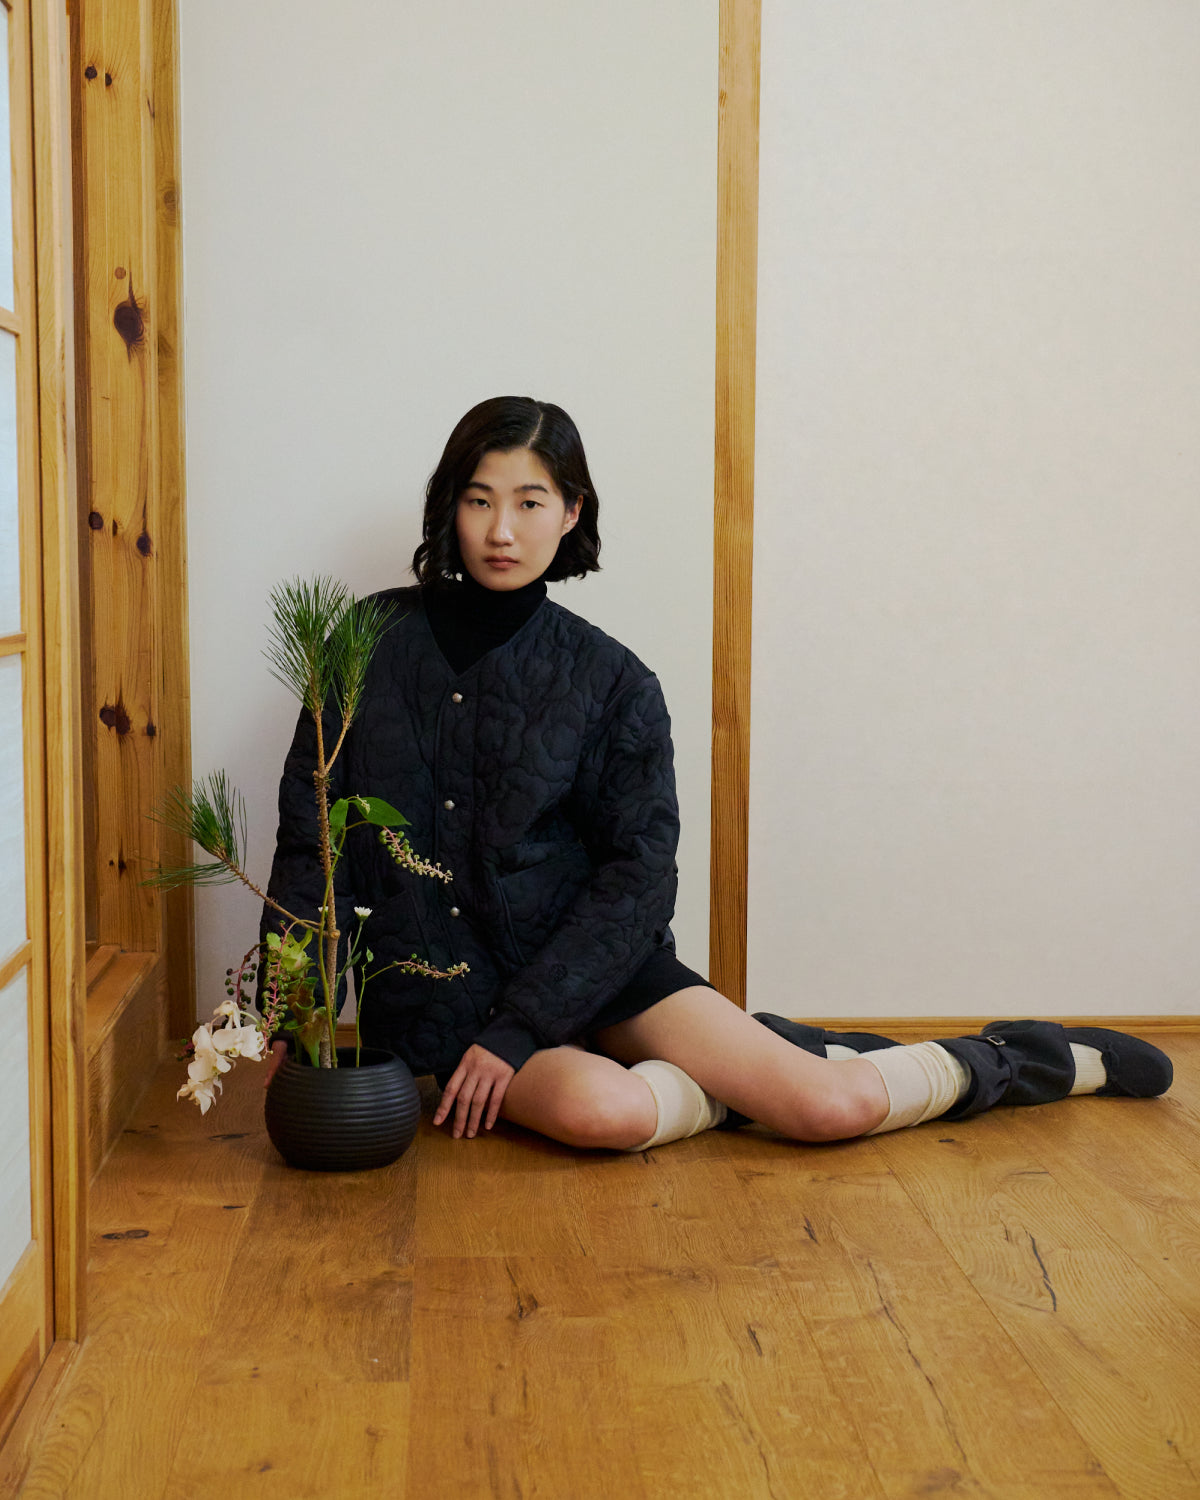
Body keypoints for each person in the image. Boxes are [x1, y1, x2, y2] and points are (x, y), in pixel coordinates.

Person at [262, 396, 1172, 1150]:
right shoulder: (361, 639)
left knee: (831, 1109)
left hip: (593, 972)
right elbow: (313, 836)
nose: (502, 530)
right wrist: (287, 1008)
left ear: (572, 513)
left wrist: (525, 1024)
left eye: (531, 502)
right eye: (478, 500)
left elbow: (637, 872)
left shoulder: (614, 680)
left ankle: (1027, 1057)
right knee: (603, 1113)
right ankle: (768, 1058)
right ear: (447, 507)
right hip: (447, 987)